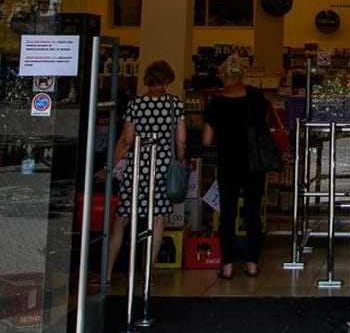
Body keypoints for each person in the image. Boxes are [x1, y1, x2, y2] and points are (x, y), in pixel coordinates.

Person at [107, 59, 187, 275]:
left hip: (136, 167)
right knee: (157, 218)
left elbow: (126, 140)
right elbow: (181, 141)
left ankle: (108, 272)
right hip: (162, 167)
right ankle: (147, 273)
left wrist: (109, 166)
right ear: (168, 80)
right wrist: (179, 160)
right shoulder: (175, 105)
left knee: (122, 218)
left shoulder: (135, 104)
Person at [202, 56, 273, 279]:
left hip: (228, 163)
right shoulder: (256, 96)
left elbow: (206, 140)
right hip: (254, 162)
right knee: (252, 213)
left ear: (223, 76)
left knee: (228, 214)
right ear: (242, 75)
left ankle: (227, 266)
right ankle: (252, 264)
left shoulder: (217, 103)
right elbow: (264, 125)